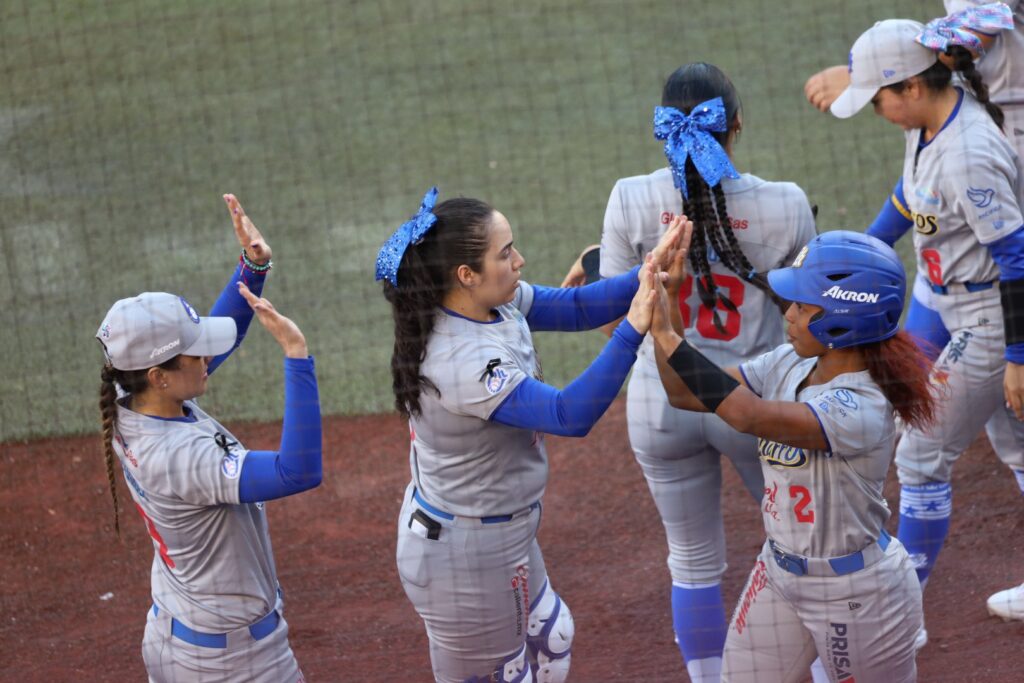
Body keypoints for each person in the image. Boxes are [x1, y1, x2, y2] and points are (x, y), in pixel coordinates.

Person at [567, 61, 817, 682]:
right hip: (752, 405)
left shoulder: (630, 196)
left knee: (692, 559)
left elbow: (614, 320)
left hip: (659, 408)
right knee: (806, 551)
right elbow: (806, 322)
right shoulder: (784, 205)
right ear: (735, 126)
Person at [376, 187, 679, 683]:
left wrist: (646, 271)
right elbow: (568, 414)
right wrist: (633, 328)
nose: (520, 260)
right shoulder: (463, 362)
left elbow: (579, 307)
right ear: (466, 275)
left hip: (497, 532)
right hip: (463, 555)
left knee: (552, 636)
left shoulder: (493, 303)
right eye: (505, 253)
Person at [805, 2, 1024, 623]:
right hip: (951, 302)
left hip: (990, 318)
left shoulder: (970, 152)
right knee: (1018, 445)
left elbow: (1016, 255)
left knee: (921, 455)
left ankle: (896, 612)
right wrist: (865, 251)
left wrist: (1017, 358)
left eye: (878, 98)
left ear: (910, 86)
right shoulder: (926, 127)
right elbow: (909, 198)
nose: (875, 110)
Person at [647, 228, 935, 683]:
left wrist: (665, 334)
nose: (790, 314)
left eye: (803, 305)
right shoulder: (789, 362)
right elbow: (685, 393)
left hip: (857, 594)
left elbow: (747, 416)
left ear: (843, 315)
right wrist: (671, 305)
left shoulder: (862, 405)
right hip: (778, 575)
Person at [96, 195, 322, 683]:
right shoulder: (180, 456)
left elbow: (212, 344)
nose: (207, 360)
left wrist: (253, 267)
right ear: (158, 375)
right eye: (195, 355)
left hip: (180, 632)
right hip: (233, 665)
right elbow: (297, 471)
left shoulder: (131, 397)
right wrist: (297, 355)